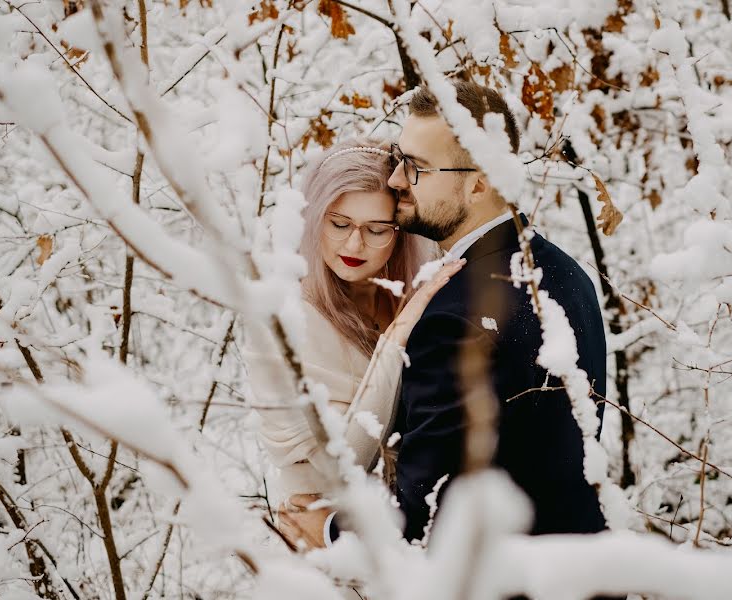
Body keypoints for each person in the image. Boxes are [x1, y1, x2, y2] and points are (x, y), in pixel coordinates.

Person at [284, 82, 610, 549]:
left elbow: (424, 508)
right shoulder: (565, 272)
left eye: (415, 167)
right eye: (399, 159)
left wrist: (333, 531)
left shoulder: (454, 316)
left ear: (478, 183)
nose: (396, 179)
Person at [243, 139, 464, 548]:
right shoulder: (282, 319)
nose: (353, 245)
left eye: (377, 230)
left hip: (408, 532)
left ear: (400, 233)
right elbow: (341, 463)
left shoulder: (408, 292)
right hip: (323, 542)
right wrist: (396, 341)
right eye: (338, 223)